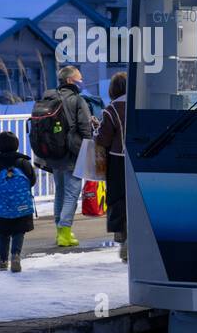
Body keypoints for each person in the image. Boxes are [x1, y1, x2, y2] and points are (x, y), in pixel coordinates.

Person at [34, 65, 94, 247]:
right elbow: (85, 128)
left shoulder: (49, 97)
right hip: (71, 153)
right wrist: (88, 149)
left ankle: (60, 230)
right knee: (72, 193)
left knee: (60, 191)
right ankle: (65, 231)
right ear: (70, 81)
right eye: (79, 78)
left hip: (52, 154)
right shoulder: (77, 100)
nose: (82, 82)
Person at [0, 131, 37, 272]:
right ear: (16, 145)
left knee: (3, 233)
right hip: (21, 205)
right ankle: (16, 255)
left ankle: (3, 260)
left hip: (0, 206)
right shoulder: (23, 163)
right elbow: (32, 180)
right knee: (19, 231)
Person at [95, 71, 128, 262]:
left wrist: (95, 131)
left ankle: (123, 239)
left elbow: (103, 138)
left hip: (117, 159)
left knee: (118, 198)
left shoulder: (112, 109)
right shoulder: (139, 104)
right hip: (141, 157)